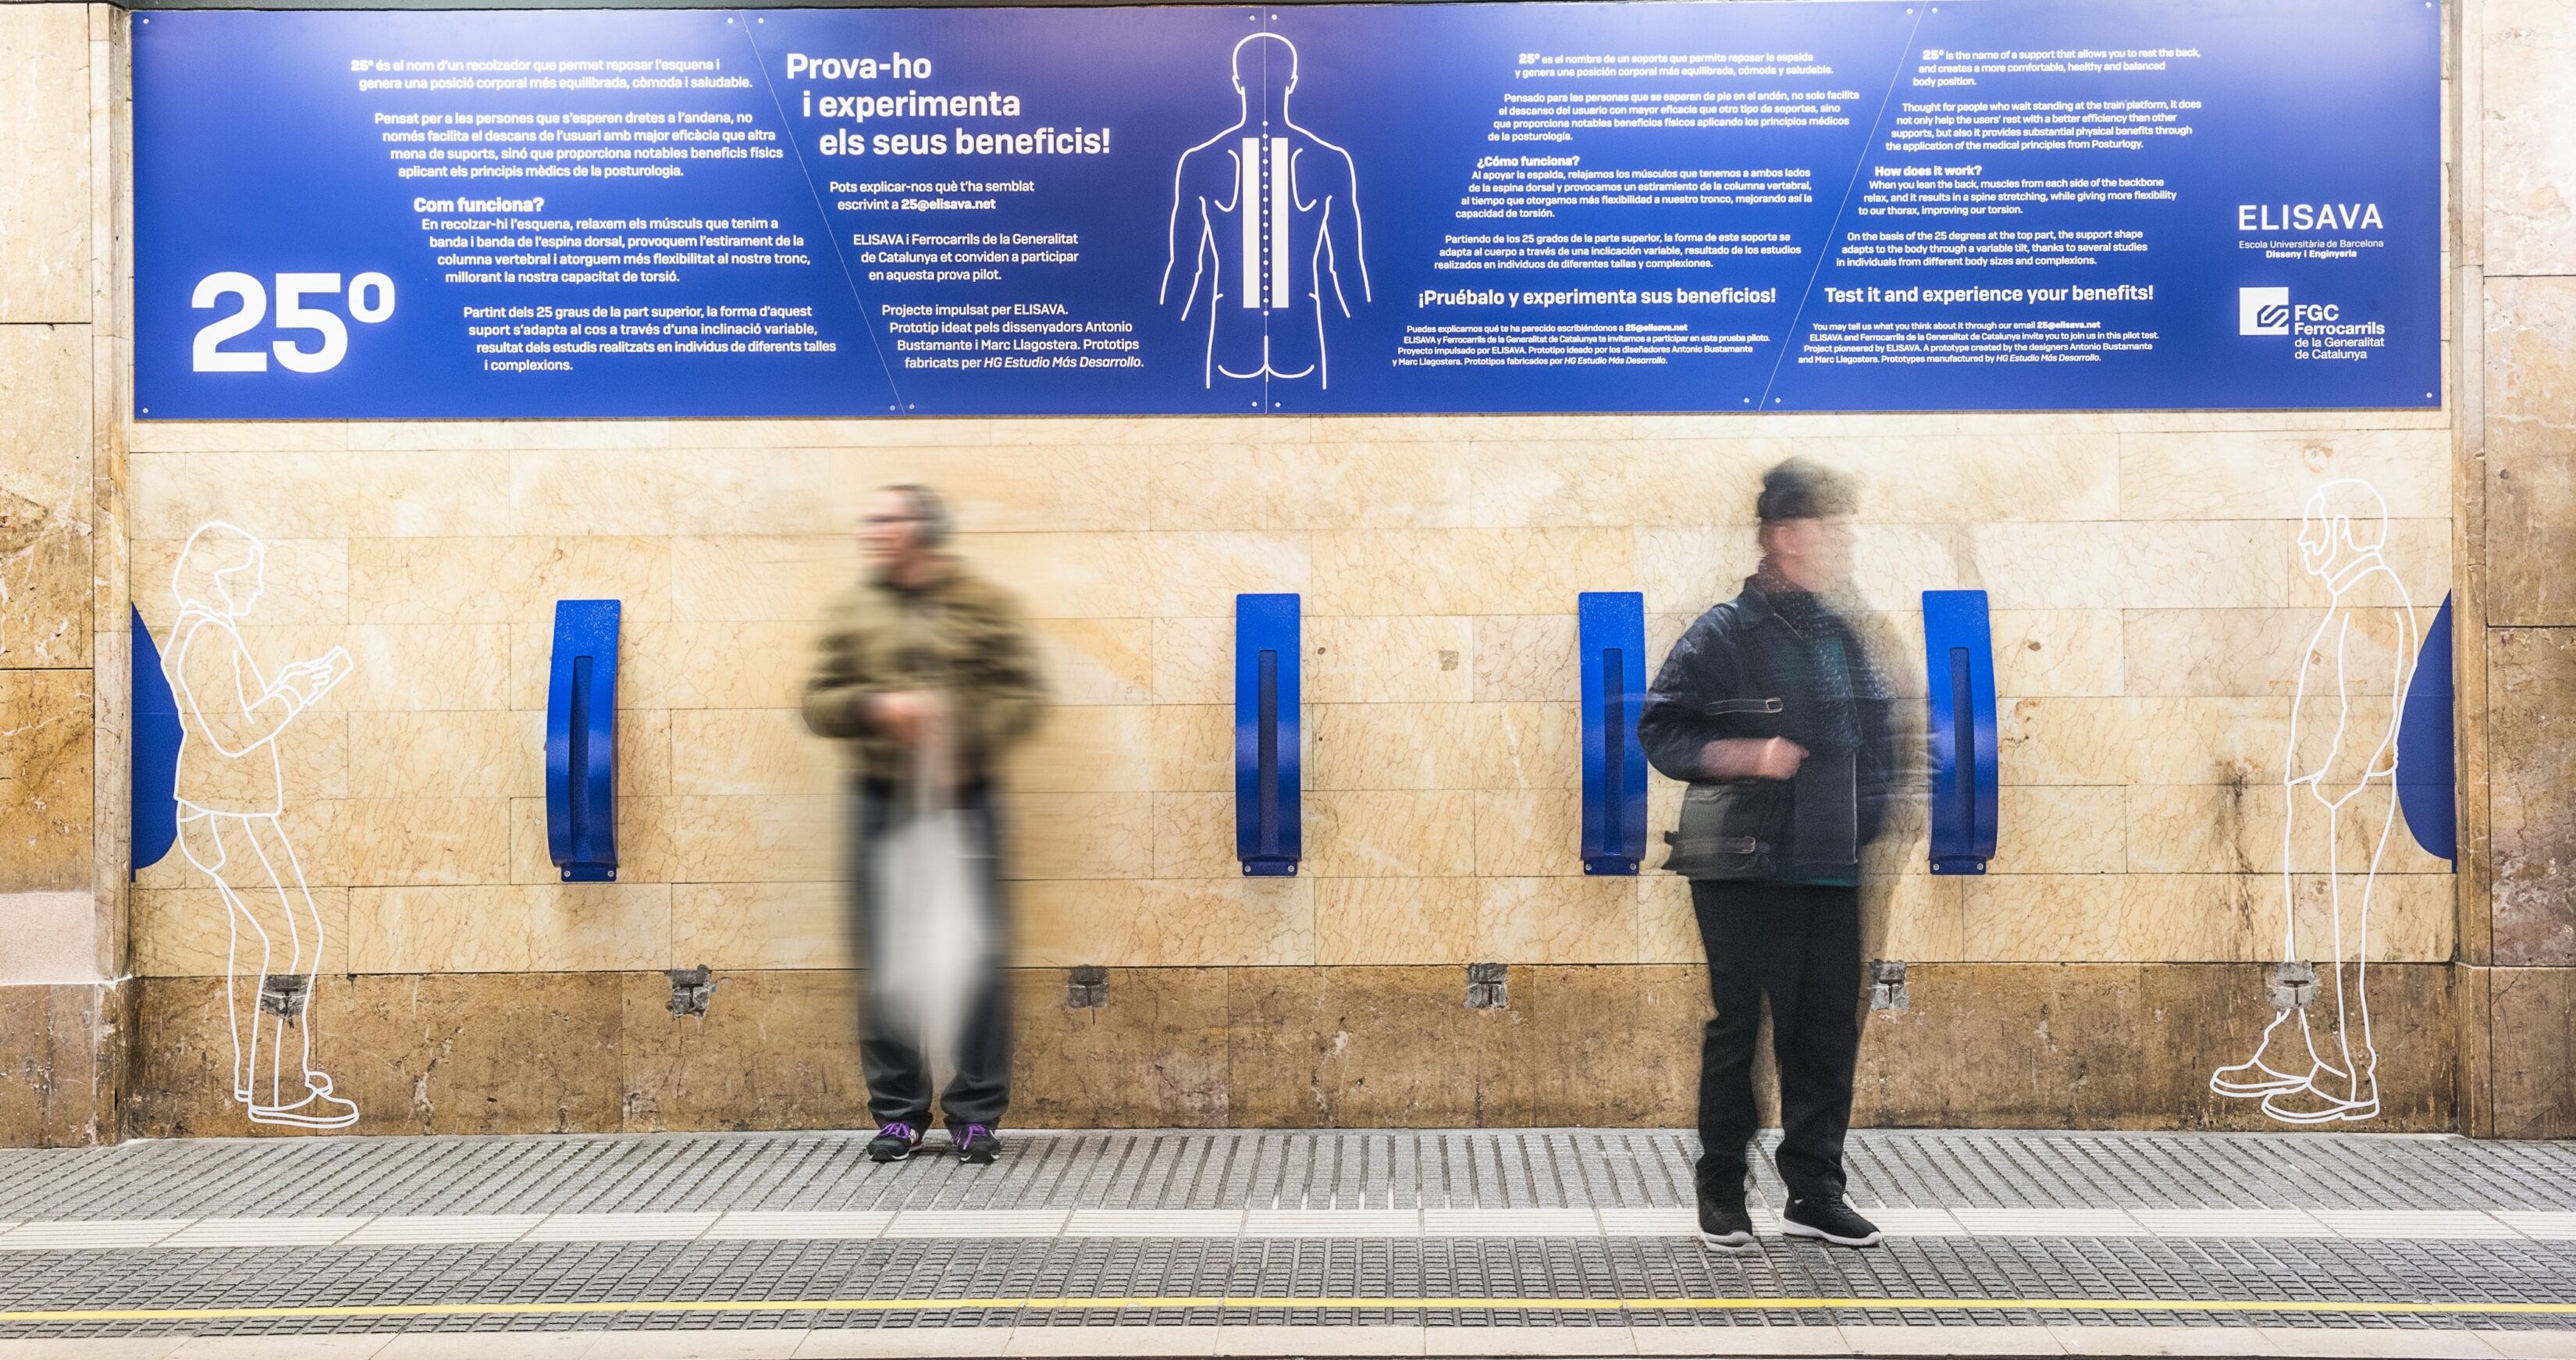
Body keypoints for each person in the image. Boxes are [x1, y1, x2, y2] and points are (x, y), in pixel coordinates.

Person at [1639, 459, 1895, 1251]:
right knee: (1740, 1029)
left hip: (1831, 862)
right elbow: (1662, 729)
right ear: (1786, 535)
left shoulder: (1842, 632)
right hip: (1744, 866)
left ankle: (1815, 1192)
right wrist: (1748, 753)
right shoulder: (1724, 632)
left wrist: (1876, 815)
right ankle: (1722, 1190)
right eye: (1831, 524)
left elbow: (1877, 737)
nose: (1846, 538)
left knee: (1825, 1034)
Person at [803, 485, 1045, 1165]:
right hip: (880, 798)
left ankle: (975, 1113)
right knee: (884, 956)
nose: (873, 529)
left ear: (924, 528)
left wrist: (961, 732)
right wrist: (877, 707)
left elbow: (1023, 697)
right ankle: (898, 1114)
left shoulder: (984, 604)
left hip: (967, 796)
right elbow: (817, 702)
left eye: (888, 519)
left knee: (977, 957)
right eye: (871, 518)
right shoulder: (853, 609)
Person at [2209, 479, 2418, 1123]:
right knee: (2304, 933)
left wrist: (2334, 785)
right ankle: (2294, 1049)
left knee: (2337, 939)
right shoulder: (2349, 599)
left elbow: (2375, 709)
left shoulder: (2375, 598)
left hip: (2342, 802)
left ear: (2349, 530)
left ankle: (2347, 1074)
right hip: (2320, 798)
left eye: (2316, 526)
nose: (2304, 540)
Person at [166, 522, 357, 1130]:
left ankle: (261, 1079)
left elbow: (228, 720)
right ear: (219, 579)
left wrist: (285, 689)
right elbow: (232, 734)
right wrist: (293, 696)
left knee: (260, 944)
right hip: (229, 812)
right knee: (296, 937)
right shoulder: (210, 636)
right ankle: (282, 1088)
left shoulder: (198, 631)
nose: (257, 586)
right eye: (248, 575)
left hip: (222, 808)